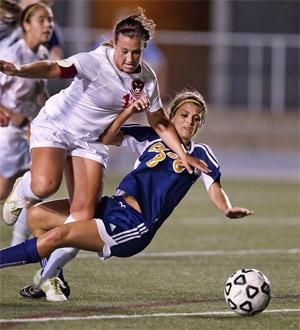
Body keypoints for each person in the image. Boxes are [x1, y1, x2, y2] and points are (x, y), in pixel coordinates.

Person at [0, 8, 209, 297]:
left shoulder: (146, 77)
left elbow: (159, 122)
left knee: (83, 213)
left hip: (91, 139)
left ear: (144, 49)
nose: (129, 59)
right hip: (58, 125)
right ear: (114, 42)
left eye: (136, 52)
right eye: (124, 51)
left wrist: (183, 155)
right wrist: (19, 70)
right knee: (44, 185)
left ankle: (50, 274)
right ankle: (23, 189)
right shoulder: (93, 62)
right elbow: (53, 68)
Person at [0, 90, 254, 302]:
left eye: (196, 119)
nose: (189, 122)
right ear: (171, 116)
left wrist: (226, 209)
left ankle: (40, 276)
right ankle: (53, 278)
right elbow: (108, 136)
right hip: (111, 206)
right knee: (37, 216)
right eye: (184, 115)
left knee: (59, 235)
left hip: (133, 225)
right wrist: (129, 110)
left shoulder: (200, 152)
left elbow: (214, 186)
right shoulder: (150, 137)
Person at [0, 2, 53, 245]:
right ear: (25, 25)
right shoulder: (12, 54)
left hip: (25, 133)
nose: (48, 25)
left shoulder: (42, 55)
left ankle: (19, 243)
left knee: (33, 188)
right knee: (3, 192)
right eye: (41, 20)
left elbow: (40, 95)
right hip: (6, 132)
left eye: (50, 20)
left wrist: (50, 113)